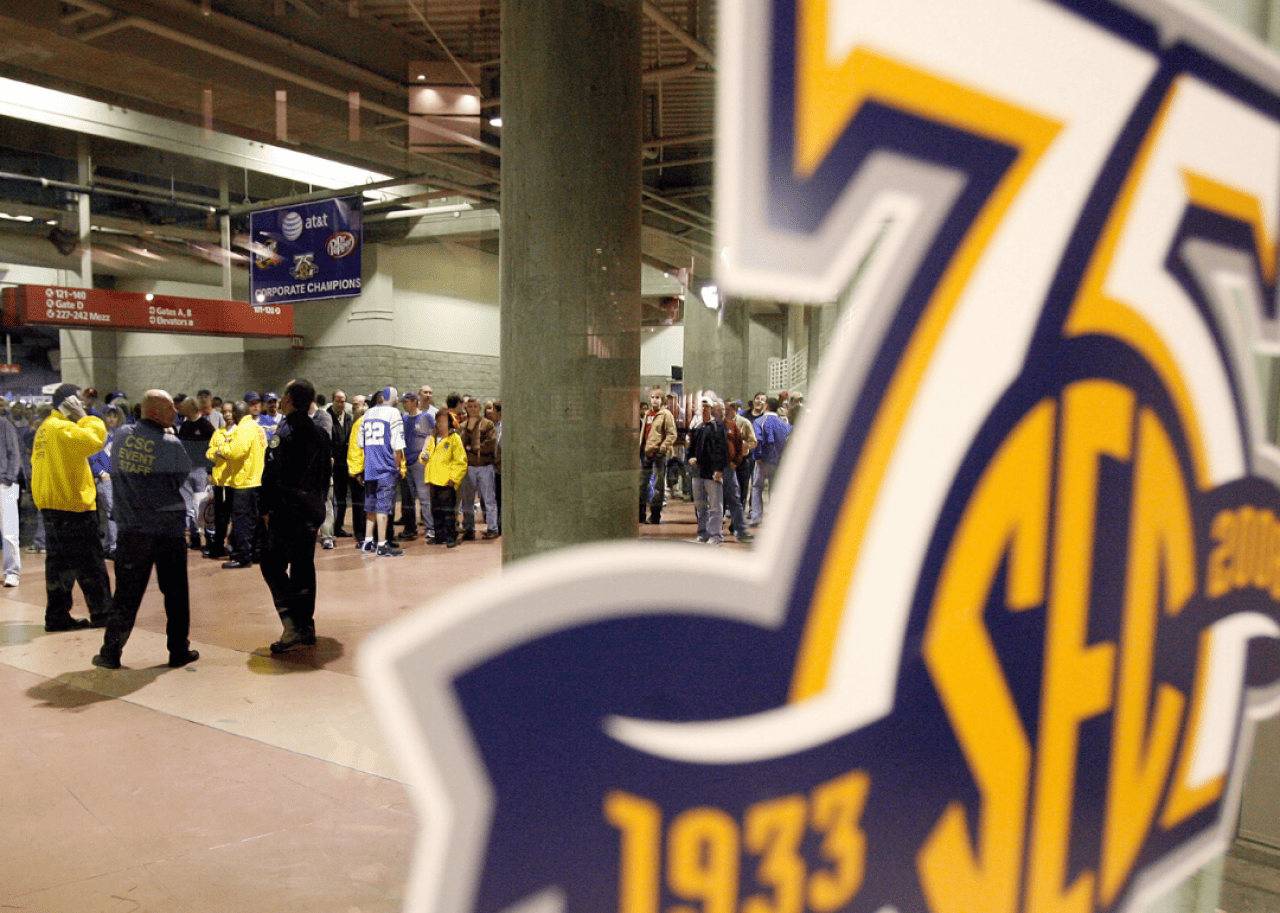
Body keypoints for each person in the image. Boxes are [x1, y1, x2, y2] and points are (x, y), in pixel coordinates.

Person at [91, 390, 199, 669]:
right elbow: (180, 478)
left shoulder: (122, 437)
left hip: (132, 529)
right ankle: (178, 651)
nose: (175, 413)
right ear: (153, 412)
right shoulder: (172, 444)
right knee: (175, 593)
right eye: (169, 409)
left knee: (126, 594)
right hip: (168, 530)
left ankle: (110, 652)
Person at [259, 379, 332, 653]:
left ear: (289, 400)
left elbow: (271, 475)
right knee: (304, 567)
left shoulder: (284, 432)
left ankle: (292, 623)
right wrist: (318, 507)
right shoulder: (320, 434)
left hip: (284, 511)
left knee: (271, 564)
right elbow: (326, 476)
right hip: (310, 512)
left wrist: (265, 509)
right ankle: (307, 626)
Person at [32, 383, 111, 631]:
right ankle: (103, 614)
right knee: (90, 563)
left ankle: (56, 616)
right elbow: (96, 439)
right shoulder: (63, 428)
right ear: (69, 403)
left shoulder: (45, 428)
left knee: (59, 566)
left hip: (52, 506)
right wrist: (85, 417)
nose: (83, 404)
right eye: (78, 400)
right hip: (72, 506)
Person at [218, 397, 267, 569]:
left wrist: (222, 449)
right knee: (255, 522)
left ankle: (242, 557)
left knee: (241, 522)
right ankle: (255, 553)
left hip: (243, 482)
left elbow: (236, 452)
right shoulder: (257, 427)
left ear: (237, 415)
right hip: (256, 480)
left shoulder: (244, 428)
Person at [358, 386, 405, 556]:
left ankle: (368, 541)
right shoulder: (393, 413)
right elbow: (397, 445)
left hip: (370, 467)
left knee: (370, 506)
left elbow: (360, 443)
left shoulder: (367, 414)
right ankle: (382, 544)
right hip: (386, 467)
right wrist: (397, 467)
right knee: (383, 508)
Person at [420, 409, 468, 548]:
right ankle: (439, 535)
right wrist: (423, 457)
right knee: (436, 510)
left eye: (442, 421)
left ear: (450, 423)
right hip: (433, 480)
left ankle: (450, 536)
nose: (439, 423)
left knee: (448, 512)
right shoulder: (433, 439)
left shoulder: (454, 439)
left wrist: (454, 478)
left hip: (447, 481)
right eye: (438, 420)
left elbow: (460, 461)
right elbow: (426, 454)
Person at [687, 394, 729, 544]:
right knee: (701, 506)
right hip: (698, 472)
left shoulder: (718, 427)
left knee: (715, 506)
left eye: (707, 406)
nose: (704, 409)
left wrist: (719, 469)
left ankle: (715, 535)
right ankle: (703, 532)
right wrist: (690, 458)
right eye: (702, 406)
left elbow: (723, 450)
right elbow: (691, 449)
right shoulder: (698, 428)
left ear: (711, 408)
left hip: (712, 473)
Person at [458, 396, 499, 540]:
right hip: (468, 468)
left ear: (480, 408)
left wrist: (473, 447)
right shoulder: (463, 426)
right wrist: (469, 430)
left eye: (476, 406)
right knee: (467, 500)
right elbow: (460, 446)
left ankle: (493, 528)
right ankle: (469, 528)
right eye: (470, 407)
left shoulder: (488, 425)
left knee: (489, 499)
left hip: (485, 467)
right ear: (466, 409)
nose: (473, 409)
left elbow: (490, 444)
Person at [176, 397, 214, 551]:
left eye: (184, 407)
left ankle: (210, 537)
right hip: (185, 470)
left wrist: (210, 471)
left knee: (202, 504)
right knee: (188, 505)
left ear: (191, 407)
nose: (181, 409)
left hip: (200, 470)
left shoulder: (205, 425)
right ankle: (194, 535)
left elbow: (212, 448)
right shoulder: (184, 425)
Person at [749, 396, 791, 527]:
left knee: (757, 488)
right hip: (777, 460)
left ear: (766, 406)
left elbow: (757, 440)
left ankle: (756, 516)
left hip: (762, 460)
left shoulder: (759, 421)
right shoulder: (783, 423)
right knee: (775, 489)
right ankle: (774, 518)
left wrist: (757, 456)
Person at [639, 386, 677, 525]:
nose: (655, 400)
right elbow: (645, 433)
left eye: (658, 398)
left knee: (657, 486)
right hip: (646, 454)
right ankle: (640, 514)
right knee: (641, 484)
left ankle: (655, 515)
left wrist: (663, 448)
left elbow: (672, 434)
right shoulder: (648, 414)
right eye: (653, 398)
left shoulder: (666, 415)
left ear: (662, 400)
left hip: (658, 455)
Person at [204, 402, 236, 559]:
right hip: (220, 481)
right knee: (220, 517)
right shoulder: (218, 433)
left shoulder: (240, 432)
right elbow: (210, 451)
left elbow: (236, 453)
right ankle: (218, 546)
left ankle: (234, 544)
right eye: (225, 412)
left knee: (236, 516)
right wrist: (217, 452)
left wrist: (222, 451)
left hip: (236, 481)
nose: (227, 415)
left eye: (230, 411)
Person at [400, 390, 432, 542]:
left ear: (414, 401)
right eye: (403, 402)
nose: (404, 405)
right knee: (408, 499)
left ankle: (430, 528)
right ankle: (410, 528)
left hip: (420, 464)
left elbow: (432, 436)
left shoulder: (426, 417)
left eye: (406, 401)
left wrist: (425, 455)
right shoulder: (404, 419)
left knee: (425, 497)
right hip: (406, 462)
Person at [327, 389, 353, 536]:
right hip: (333, 464)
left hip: (346, 464)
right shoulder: (327, 417)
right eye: (337, 401)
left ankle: (339, 526)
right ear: (333, 401)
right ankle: (330, 528)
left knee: (342, 497)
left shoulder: (348, 418)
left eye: (343, 401)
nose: (340, 404)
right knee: (332, 499)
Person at [0, 407, 21, 587]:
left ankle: (12, 572)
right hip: (4, 482)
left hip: (3, 484)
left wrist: (9, 477)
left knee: (9, 532)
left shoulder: (4, 424)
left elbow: (14, 452)